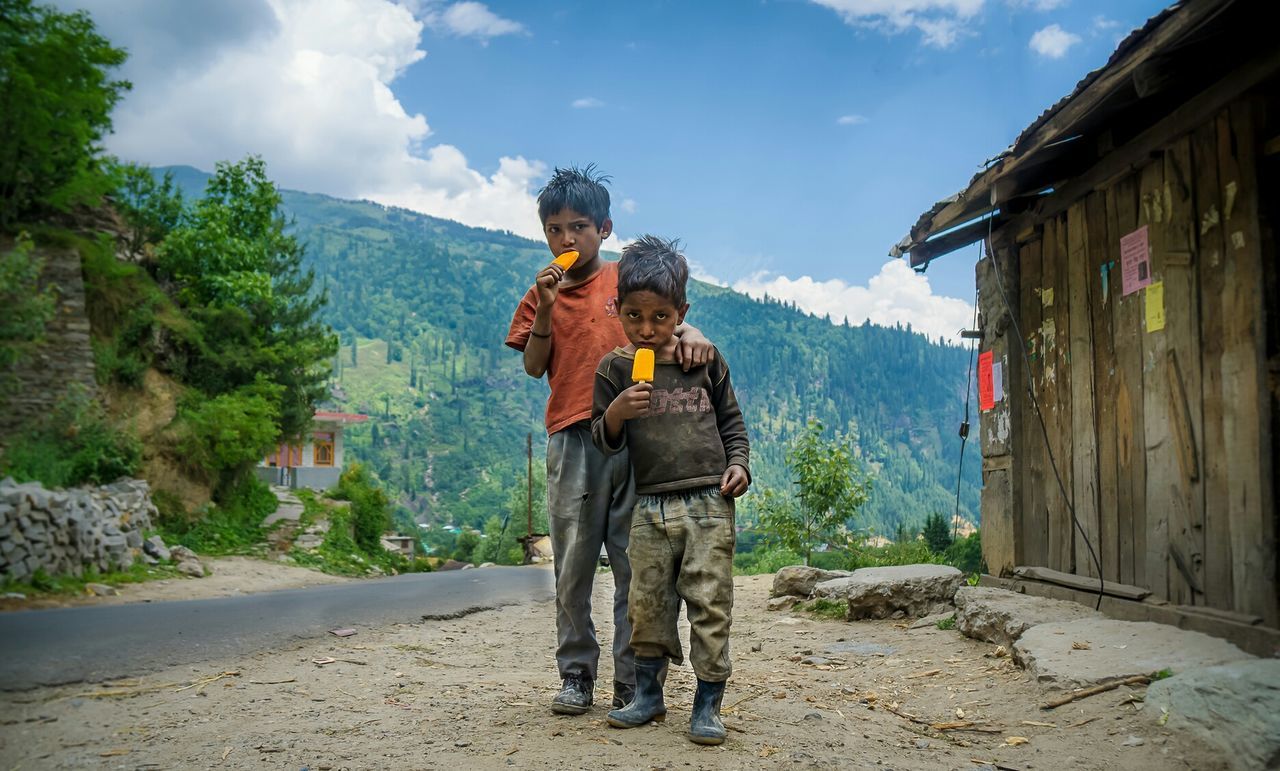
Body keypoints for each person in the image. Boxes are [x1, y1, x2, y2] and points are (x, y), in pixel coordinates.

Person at [505, 166, 713, 715]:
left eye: (579, 228)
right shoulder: (537, 296)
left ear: (605, 229)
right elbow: (533, 365)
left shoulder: (622, 281)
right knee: (572, 564)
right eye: (554, 230)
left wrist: (694, 333)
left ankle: (632, 679)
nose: (566, 240)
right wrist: (546, 309)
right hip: (574, 438)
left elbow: (665, 316)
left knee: (635, 563)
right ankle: (575, 671)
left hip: (637, 436)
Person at [590, 235, 750, 745]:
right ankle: (649, 696)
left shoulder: (702, 359)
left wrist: (740, 466)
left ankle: (708, 704)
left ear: (681, 311)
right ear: (617, 310)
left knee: (709, 602)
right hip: (649, 505)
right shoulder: (614, 369)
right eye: (634, 316)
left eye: (660, 317)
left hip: (708, 501)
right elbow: (603, 440)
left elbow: (732, 423)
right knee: (648, 604)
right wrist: (616, 414)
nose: (646, 329)